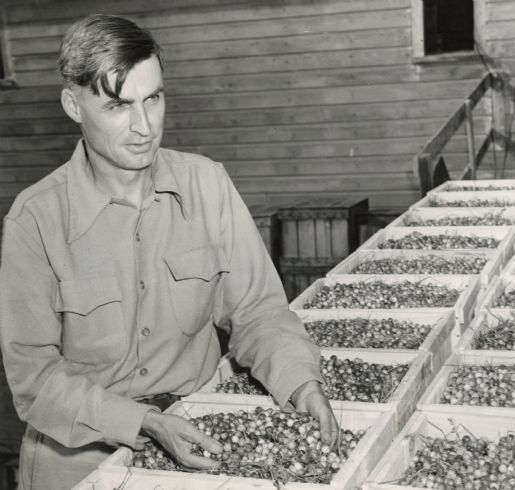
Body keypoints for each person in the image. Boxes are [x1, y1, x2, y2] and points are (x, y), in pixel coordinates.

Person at [0, 14, 338, 490]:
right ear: (73, 105)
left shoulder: (207, 184)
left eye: (153, 99)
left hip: (198, 434)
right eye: (118, 106)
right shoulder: (35, 219)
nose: (143, 127)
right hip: (79, 464)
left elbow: (258, 311)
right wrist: (146, 422)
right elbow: (34, 377)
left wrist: (301, 382)